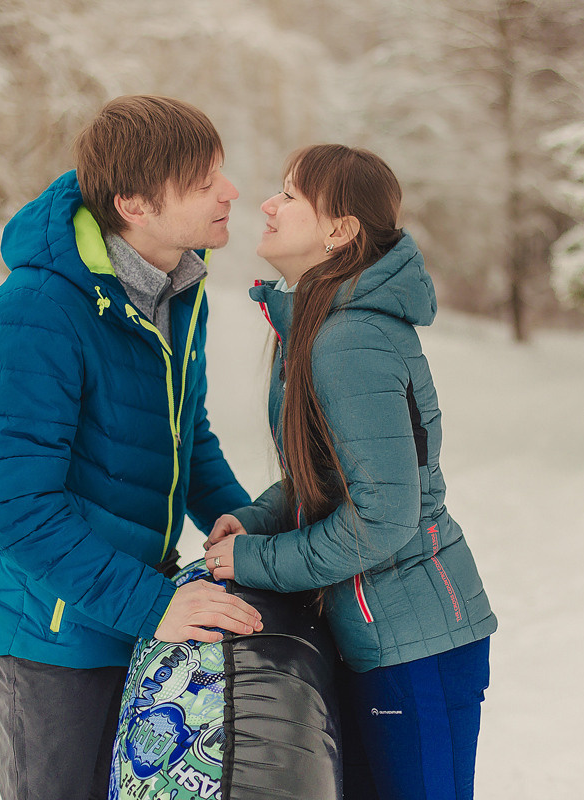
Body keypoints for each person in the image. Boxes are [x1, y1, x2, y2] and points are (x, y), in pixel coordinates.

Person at [0, 95, 263, 800]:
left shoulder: (179, 286)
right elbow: (19, 508)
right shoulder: (35, 311)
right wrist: (153, 605)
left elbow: (184, 432)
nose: (230, 192)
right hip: (56, 632)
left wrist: (239, 519)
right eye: (204, 183)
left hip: (140, 611)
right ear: (133, 204)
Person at [204, 144, 498, 800]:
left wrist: (256, 561)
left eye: (290, 195)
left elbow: (383, 516)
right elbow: (328, 477)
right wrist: (257, 519)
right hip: (375, 638)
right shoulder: (318, 329)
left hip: (414, 643)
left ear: (339, 230)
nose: (268, 205)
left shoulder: (349, 340)